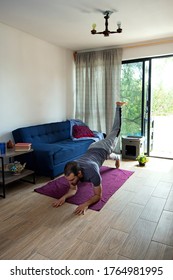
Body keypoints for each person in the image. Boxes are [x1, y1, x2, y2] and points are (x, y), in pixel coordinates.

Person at [52, 101, 127, 215]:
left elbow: (98, 195)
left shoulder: (92, 171)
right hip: (92, 148)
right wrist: (64, 197)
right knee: (105, 156)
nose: (70, 182)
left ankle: (118, 107)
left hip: (104, 147)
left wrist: (85, 204)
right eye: (68, 180)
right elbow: (72, 189)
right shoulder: (73, 168)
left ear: (80, 173)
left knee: (115, 130)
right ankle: (116, 157)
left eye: (72, 180)